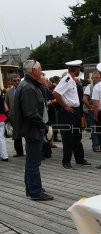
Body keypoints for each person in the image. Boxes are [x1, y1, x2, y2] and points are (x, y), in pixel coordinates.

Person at [13, 60, 53, 200]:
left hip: (31, 129)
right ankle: (35, 191)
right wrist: (44, 126)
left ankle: (31, 189)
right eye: (40, 69)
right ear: (33, 71)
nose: (41, 71)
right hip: (33, 130)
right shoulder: (29, 87)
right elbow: (31, 113)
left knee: (31, 161)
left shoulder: (27, 84)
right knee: (34, 162)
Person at [53, 60, 91, 169]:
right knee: (68, 137)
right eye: (79, 68)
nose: (80, 70)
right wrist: (64, 105)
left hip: (75, 111)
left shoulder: (73, 80)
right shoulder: (67, 79)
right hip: (68, 112)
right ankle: (66, 161)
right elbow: (55, 93)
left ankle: (80, 159)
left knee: (77, 136)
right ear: (77, 69)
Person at [82, 71, 101, 152]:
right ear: (92, 78)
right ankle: (96, 145)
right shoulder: (89, 87)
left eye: (98, 77)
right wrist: (91, 107)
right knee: (94, 128)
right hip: (93, 110)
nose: (97, 78)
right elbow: (84, 99)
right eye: (96, 77)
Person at [5, 74, 23, 157]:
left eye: (18, 80)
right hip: (13, 117)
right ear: (11, 82)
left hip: (24, 116)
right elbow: (7, 104)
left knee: (28, 134)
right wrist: (9, 115)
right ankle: (19, 152)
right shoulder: (8, 92)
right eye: (15, 80)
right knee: (16, 135)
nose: (17, 82)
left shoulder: (24, 89)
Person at [0, 93, 8, 161]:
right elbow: (6, 109)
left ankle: (3, 155)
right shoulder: (1, 97)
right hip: (1, 118)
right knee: (2, 138)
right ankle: (4, 155)